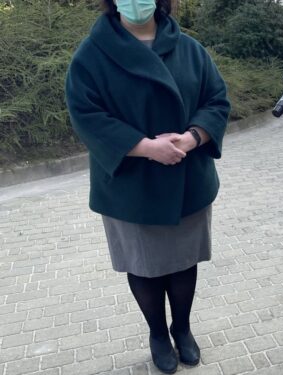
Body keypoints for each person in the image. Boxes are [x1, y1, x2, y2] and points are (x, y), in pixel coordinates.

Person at [65, 0, 230, 373]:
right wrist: (145, 148)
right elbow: (86, 114)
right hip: (131, 184)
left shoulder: (190, 48)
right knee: (144, 265)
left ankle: (182, 328)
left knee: (184, 261)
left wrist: (192, 137)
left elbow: (217, 100)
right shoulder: (92, 55)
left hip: (187, 176)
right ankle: (158, 333)